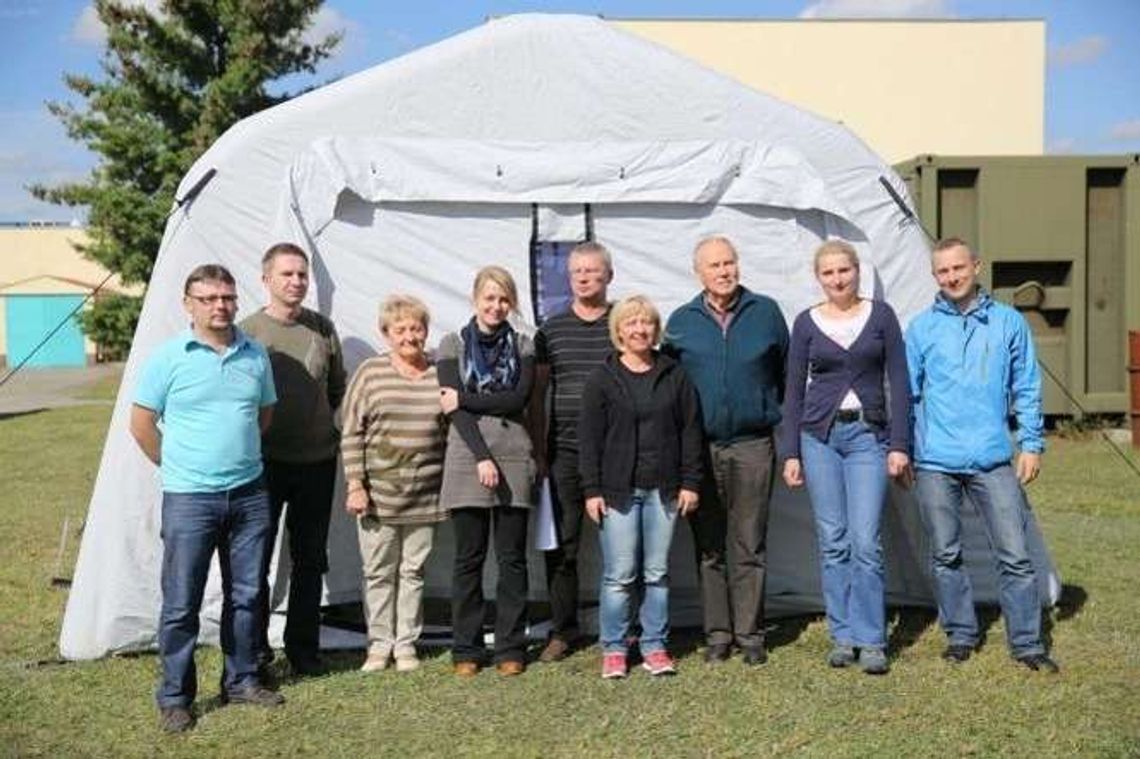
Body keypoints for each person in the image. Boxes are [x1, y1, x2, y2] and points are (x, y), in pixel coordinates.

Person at [129, 264, 283, 734]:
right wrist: (183, 468)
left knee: (248, 594)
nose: (221, 306)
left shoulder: (255, 355)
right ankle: (176, 696)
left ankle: (241, 680)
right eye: (210, 298)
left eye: (228, 298)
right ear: (189, 303)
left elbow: (264, 415)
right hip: (189, 499)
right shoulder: (168, 358)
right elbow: (141, 424)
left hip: (250, 495)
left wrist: (234, 462)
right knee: (181, 601)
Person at [905, 237, 1059, 673]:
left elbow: (1026, 386)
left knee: (1015, 554)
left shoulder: (1009, 323)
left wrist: (1031, 443)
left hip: (993, 458)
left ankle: (1027, 643)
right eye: (943, 271)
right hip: (935, 461)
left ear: (976, 266)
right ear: (935, 276)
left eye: (959, 268)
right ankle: (960, 635)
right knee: (946, 554)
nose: (952, 277)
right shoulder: (920, 329)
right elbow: (909, 395)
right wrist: (911, 450)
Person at [780, 240, 911, 675]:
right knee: (833, 541)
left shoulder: (881, 316)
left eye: (844, 271)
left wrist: (899, 444)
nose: (837, 280)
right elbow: (793, 390)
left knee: (866, 542)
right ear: (819, 278)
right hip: (819, 438)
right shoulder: (806, 323)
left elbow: (899, 381)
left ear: (857, 271)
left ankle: (872, 638)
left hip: (868, 438)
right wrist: (792, 451)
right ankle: (842, 635)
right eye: (828, 273)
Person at [662, 235, 788, 665]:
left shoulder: (766, 312)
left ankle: (750, 635)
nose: (724, 271)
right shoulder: (681, 322)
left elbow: (786, 376)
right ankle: (718, 634)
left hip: (753, 444)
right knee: (709, 546)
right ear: (698, 272)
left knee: (749, 543)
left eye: (729, 262)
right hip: (701, 449)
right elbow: (669, 390)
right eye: (714, 265)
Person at [578, 296, 702, 679]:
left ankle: (654, 645)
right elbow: (589, 438)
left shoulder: (674, 374)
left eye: (646, 323)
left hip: (663, 490)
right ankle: (614, 648)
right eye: (630, 323)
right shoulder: (603, 378)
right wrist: (592, 489)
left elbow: (690, 431)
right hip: (617, 492)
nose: (639, 330)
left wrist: (690, 481)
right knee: (619, 574)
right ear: (618, 332)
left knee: (656, 573)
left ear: (655, 329)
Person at [239, 242, 346, 677]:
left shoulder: (322, 328)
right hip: (263, 466)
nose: (296, 281)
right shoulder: (247, 332)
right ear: (266, 279)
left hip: (317, 462)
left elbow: (336, 390)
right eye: (287, 274)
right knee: (256, 562)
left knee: (309, 559)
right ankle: (255, 653)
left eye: (302, 274)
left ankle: (303, 650)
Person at [438, 266, 537, 677]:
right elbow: (453, 415)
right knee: (468, 558)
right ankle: (467, 648)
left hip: (514, 454)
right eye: (489, 298)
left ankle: (511, 646)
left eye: (503, 299)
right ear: (475, 298)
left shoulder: (526, 344)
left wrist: (464, 397)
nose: (496, 306)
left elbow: (518, 399)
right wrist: (481, 457)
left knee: (511, 558)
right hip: (466, 456)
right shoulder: (451, 343)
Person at [341, 295, 447, 674]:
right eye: (400, 329)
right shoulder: (370, 373)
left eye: (416, 328)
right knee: (379, 572)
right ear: (386, 334)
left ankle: (406, 645)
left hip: (426, 493)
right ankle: (379, 645)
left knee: (413, 572)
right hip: (378, 496)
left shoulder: (440, 373)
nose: (409, 336)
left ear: (426, 331)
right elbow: (351, 432)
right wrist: (356, 484)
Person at [532, 241, 615, 662]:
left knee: (621, 545)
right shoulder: (551, 330)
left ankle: (622, 630)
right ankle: (564, 631)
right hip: (564, 452)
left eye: (593, 271)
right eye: (577, 271)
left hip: (615, 453)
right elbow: (541, 392)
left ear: (608, 276)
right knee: (563, 547)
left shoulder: (624, 323)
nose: (584, 278)